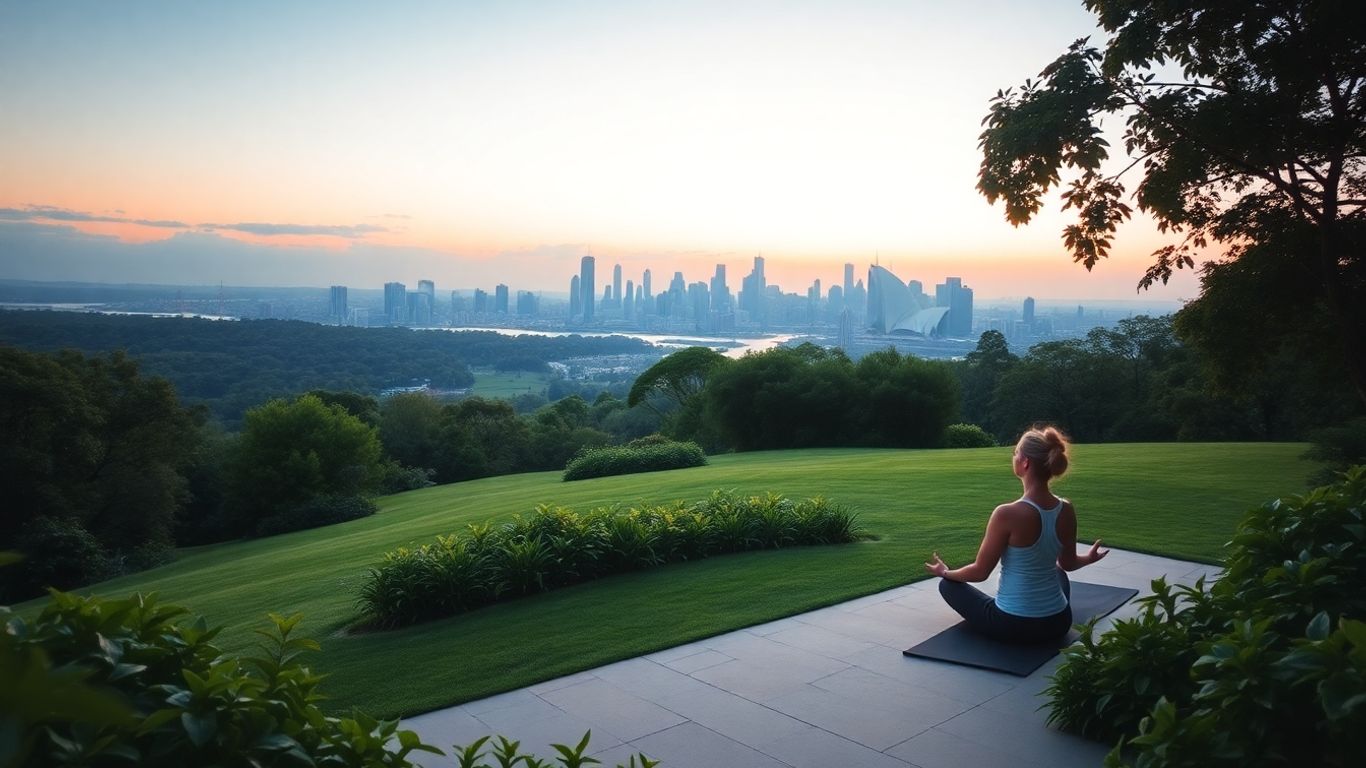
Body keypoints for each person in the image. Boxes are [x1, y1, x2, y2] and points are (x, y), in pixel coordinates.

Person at [923, 425, 1108, 644]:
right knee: (1058, 571)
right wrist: (1089, 558)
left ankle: (1007, 606)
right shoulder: (1066, 508)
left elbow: (980, 572)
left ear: (1025, 462)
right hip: (1059, 623)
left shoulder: (1006, 513)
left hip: (1013, 625)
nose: (1013, 457)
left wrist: (946, 573)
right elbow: (1067, 563)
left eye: (1015, 453)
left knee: (948, 586)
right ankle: (1041, 607)